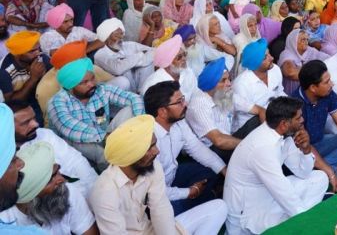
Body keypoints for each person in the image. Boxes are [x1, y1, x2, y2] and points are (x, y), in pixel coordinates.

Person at [89, 114, 227, 235]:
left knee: (219, 208)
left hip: (155, 231)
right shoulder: (104, 191)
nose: (157, 152)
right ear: (131, 156)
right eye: (150, 148)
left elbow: (160, 209)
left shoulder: (152, 166)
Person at [223, 96, 328, 234]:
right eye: (298, 118)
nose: (302, 120)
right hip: (248, 215)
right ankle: (299, 222)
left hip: (267, 196)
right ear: (284, 124)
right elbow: (282, 192)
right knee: (293, 205)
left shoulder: (283, 135)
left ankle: (295, 220)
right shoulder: (263, 148)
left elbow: (304, 173)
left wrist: (306, 150)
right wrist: (307, 223)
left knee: (320, 178)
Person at [47, 43, 145, 171]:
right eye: (84, 83)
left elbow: (133, 98)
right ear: (71, 86)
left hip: (105, 134)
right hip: (76, 141)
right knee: (102, 155)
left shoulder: (100, 90)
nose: (91, 84)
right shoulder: (57, 102)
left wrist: (140, 122)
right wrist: (106, 138)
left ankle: (134, 147)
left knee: (130, 109)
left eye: (92, 79)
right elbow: (71, 128)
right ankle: (113, 175)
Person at [143, 80, 227, 215]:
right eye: (179, 102)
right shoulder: (148, 141)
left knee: (211, 171)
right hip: (153, 194)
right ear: (163, 111)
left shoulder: (179, 123)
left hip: (172, 176)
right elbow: (152, 191)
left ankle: (202, 200)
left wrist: (224, 170)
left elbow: (197, 148)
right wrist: (189, 192)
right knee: (173, 209)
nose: (185, 104)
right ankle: (201, 200)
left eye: (183, 99)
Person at [292, 60, 337, 190]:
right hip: (302, 152)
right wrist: (331, 174)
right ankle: (334, 169)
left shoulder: (328, 94)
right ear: (313, 88)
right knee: (303, 162)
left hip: (321, 142)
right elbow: (304, 145)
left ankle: (323, 169)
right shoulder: (295, 105)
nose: (331, 84)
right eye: (326, 82)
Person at [2, 141, 98, 235]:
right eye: (50, 180)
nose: (62, 180)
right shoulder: (6, 222)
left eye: (57, 171)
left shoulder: (65, 192)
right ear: (30, 197)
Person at [11, 99, 97, 200]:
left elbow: (77, 162)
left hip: (80, 193)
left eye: (34, 118)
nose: (35, 124)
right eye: (26, 122)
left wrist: (95, 192)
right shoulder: (6, 160)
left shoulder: (44, 134)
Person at [186, 58, 258, 163]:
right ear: (211, 85)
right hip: (211, 150)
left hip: (228, 139)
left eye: (229, 79)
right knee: (253, 156)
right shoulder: (199, 105)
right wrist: (248, 146)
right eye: (223, 81)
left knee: (257, 121)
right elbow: (218, 140)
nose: (229, 84)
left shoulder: (226, 94)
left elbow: (259, 110)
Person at [232, 39, 285, 132]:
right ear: (255, 63)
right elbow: (244, 117)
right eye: (265, 57)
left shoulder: (275, 69)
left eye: (269, 54)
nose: (272, 58)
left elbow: (279, 92)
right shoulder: (242, 84)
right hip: (251, 126)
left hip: (275, 117)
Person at [0, 31, 50, 125]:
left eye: (38, 48)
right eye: (32, 51)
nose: (38, 53)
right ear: (18, 54)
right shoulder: (4, 72)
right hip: (19, 108)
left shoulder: (41, 58)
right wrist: (33, 78)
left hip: (38, 97)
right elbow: (11, 103)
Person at [93, 18, 154, 93]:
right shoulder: (100, 54)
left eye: (121, 30)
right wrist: (140, 55)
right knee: (125, 73)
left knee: (148, 64)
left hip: (136, 84)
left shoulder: (129, 45)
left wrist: (128, 62)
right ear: (107, 34)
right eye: (117, 30)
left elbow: (153, 51)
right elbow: (118, 69)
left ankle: (144, 93)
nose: (121, 33)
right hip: (118, 88)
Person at [139, 34, 198, 101]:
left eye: (184, 54)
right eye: (179, 57)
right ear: (167, 63)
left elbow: (196, 92)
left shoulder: (188, 71)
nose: (184, 59)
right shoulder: (154, 83)